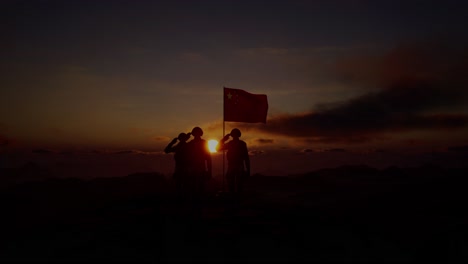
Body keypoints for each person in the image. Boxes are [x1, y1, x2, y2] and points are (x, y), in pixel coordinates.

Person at [217, 128, 250, 194]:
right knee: (231, 182)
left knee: (238, 183)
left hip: (238, 165)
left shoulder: (241, 144)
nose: (235, 136)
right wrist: (223, 139)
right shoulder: (232, 144)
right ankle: (233, 196)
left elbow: (246, 157)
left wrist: (248, 169)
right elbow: (218, 148)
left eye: (235, 134)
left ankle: (235, 196)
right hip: (232, 165)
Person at [186, 127, 212, 199]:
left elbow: (208, 157)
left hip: (201, 167)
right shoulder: (190, 144)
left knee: (201, 186)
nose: (197, 134)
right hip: (192, 167)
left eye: (198, 133)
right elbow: (186, 155)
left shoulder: (204, 143)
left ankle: (199, 202)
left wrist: (209, 170)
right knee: (193, 187)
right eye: (195, 133)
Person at [164, 132, 191, 197]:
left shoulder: (179, 147)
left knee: (180, 185)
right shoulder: (187, 146)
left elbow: (166, 150)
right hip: (184, 169)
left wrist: (172, 142)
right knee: (184, 186)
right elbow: (166, 150)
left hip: (181, 169)